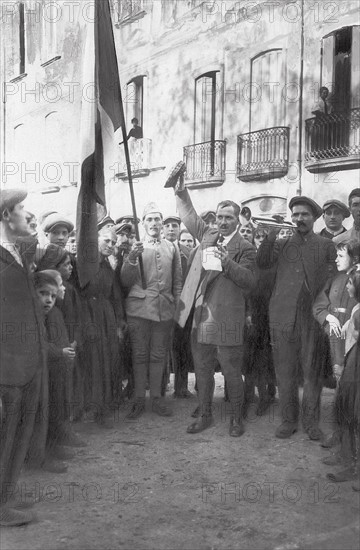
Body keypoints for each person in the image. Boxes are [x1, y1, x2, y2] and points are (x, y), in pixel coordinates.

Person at [168, 181, 256, 437]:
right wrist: (181, 191)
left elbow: (250, 281)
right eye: (220, 217)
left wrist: (225, 261)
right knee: (203, 372)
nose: (223, 222)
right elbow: (189, 215)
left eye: (229, 217)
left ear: (238, 221)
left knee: (231, 373)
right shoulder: (207, 234)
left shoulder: (246, 248)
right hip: (201, 317)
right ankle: (205, 415)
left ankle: (236, 419)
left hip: (228, 319)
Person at [257, 196, 337, 440]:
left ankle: (311, 423)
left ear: (314, 218)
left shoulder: (326, 245)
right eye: (296, 215)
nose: (299, 219)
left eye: (304, 214)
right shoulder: (280, 243)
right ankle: (288, 420)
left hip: (311, 317)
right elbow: (262, 262)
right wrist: (270, 235)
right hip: (282, 315)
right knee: (285, 370)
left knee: (312, 371)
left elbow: (332, 281)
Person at [0, 189, 46, 526]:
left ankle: (7, 494)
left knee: (18, 434)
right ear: (5, 216)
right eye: (20, 209)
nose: (27, 214)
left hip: (28, 361)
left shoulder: (16, 252)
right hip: (6, 367)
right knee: (5, 438)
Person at [121, 202, 182, 419]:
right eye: (149, 219)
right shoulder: (135, 247)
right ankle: (139, 399)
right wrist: (130, 258)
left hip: (163, 309)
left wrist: (176, 307)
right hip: (139, 310)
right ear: (143, 223)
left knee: (158, 355)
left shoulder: (171, 247)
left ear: (162, 224)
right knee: (139, 355)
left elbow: (177, 281)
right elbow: (125, 281)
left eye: (158, 219)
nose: (154, 223)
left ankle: (156, 398)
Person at [81, 226, 125, 427]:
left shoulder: (109, 265)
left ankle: (105, 406)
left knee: (108, 360)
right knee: (94, 363)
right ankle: (93, 408)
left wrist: (118, 322)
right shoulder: (84, 263)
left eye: (114, 242)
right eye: (106, 241)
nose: (110, 245)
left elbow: (115, 295)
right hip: (88, 315)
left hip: (106, 316)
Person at [327, 265, 360, 485]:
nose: (347, 285)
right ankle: (350, 460)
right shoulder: (356, 309)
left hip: (357, 364)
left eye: (350, 283)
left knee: (354, 413)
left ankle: (356, 468)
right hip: (353, 361)